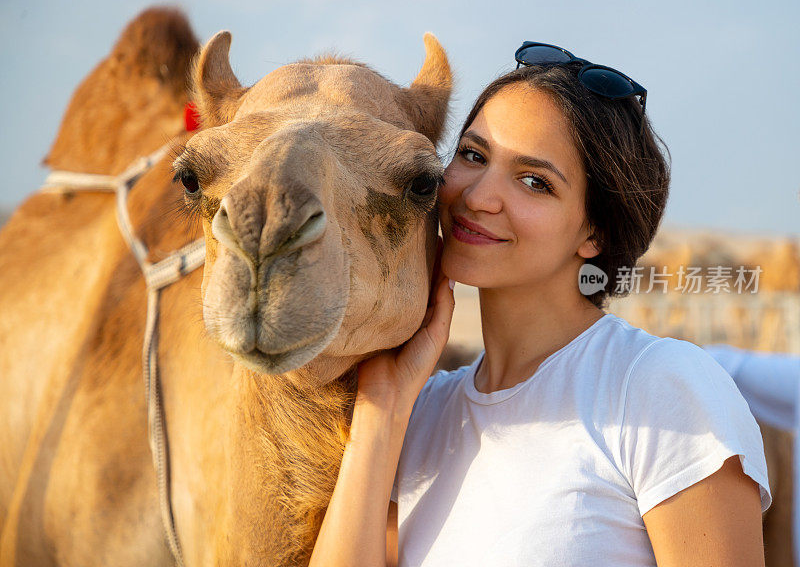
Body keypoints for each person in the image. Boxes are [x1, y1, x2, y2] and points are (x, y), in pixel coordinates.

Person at [309, 42, 772, 567]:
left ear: (595, 231)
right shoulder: (422, 412)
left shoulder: (654, 386)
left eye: (534, 182)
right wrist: (381, 413)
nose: (480, 196)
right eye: (473, 155)